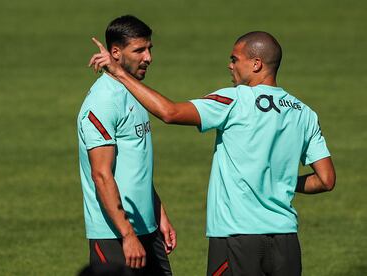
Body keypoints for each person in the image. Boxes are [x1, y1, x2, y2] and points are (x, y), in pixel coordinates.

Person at [89, 31, 336, 276]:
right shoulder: (304, 113)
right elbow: (326, 180)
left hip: (236, 238)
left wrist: (119, 73)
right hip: (286, 242)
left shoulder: (235, 101)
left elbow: (170, 113)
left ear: (256, 64)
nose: (230, 66)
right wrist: (285, 183)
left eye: (235, 59)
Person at [77, 15, 176, 276]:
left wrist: (159, 214)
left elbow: (135, 167)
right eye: (139, 50)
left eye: (149, 49)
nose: (148, 58)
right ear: (116, 53)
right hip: (115, 235)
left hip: (147, 229)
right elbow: (101, 174)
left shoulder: (134, 93)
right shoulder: (103, 101)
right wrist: (127, 235)